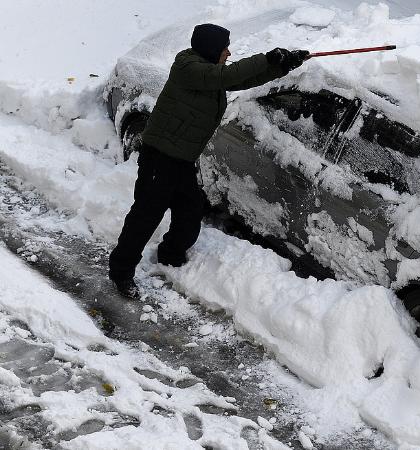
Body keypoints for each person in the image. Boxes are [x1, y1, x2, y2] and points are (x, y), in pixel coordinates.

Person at [108, 23, 309, 298]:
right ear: (211, 49)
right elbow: (227, 74)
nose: (229, 52)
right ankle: (121, 272)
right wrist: (266, 58)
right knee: (145, 216)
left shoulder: (211, 76)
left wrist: (282, 66)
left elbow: (240, 79)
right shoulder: (188, 68)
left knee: (190, 213)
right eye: (224, 47)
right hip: (160, 158)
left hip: (182, 160)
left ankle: (170, 254)